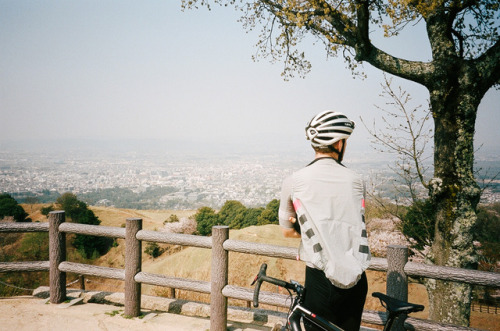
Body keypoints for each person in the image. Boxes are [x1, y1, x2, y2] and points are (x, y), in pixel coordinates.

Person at [278, 110, 371, 331]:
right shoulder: (357, 181)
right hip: (356, 278)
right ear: (339, 143)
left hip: (319, 276)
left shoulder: (294, 181)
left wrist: (305, 228)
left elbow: (287, 231)